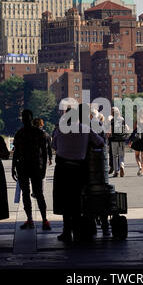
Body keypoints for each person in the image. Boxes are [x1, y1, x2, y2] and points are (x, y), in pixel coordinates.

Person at [52, 104, 104, 243]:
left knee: (63, 199)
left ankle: (66, 231)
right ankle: (78, 229)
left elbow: (54, 146)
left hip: (62, 168)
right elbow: (100, 143)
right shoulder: (86, 129)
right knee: (76, 200)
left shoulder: (59, 129)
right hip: (79, 169)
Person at [12, 110, 51, 231]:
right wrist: (13, 167)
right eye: (23, 117)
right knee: (29, 194)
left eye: (26, 117)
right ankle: (33, 219)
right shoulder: (32, 133)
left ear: (30, 118)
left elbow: (44, 153)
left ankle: (42, 219)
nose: (25, 120)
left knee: (38, 194)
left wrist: (44, 168)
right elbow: (16, 152)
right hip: (27, 167)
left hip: (33, 167)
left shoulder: (31, 133)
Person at [108, 107, 129, 178]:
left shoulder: (112, 120)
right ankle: (122, 166)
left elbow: (109, 131)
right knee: (121, 155)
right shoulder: (122, 119)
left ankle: (116, 172)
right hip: (122, 140)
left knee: (114, 156)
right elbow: (127, 128)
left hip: (114, 140)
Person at [130, 109, 143, 177]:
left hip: (138, 139)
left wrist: (131, 140)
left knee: (136, 155)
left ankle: (139, 167)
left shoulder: (137, 121)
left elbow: (134, 131)